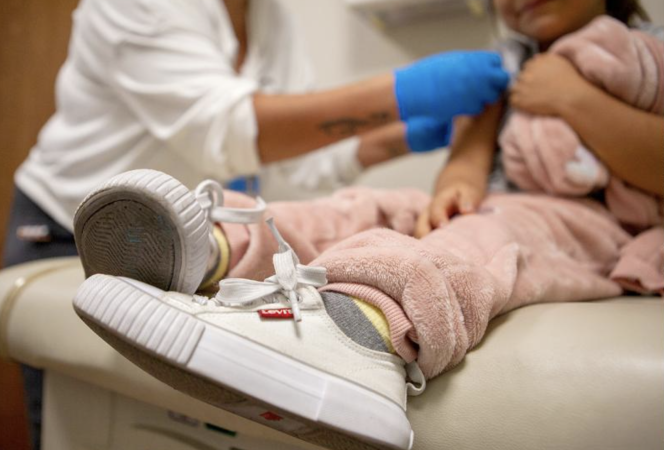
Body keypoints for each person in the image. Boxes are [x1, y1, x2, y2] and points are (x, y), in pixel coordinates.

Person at [69, 0, 664, 448]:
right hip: (491, 203)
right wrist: (454, 188)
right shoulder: (507, 69)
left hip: (588, 222)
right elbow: (467, 164)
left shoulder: (649, 50)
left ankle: (359, 333)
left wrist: (575, 99)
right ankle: (210, 249)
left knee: (489, 234)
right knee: (364, 210)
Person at [5, 1, 510, 448]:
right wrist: (401, 91)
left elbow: (297, 163)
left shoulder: (270, 17)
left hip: (191, 235)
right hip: (78, 224)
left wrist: (403, 136)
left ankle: (213, 252)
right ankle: (211, 249)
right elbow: (224, 130)